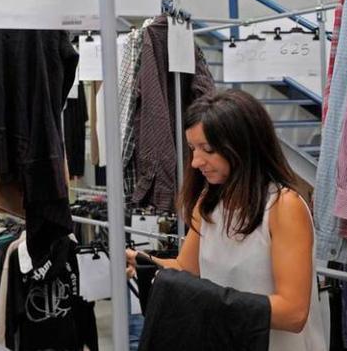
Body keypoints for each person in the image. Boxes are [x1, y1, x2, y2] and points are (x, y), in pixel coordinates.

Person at [127, 89, 325, 350]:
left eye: (207, 149)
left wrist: (206, 300)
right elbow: (188, 270)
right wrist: (145, 263)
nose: (196, 161)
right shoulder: (208, 203)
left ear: (242, 145)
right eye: (192, 148)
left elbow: (293, 313)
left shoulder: (283, 207)